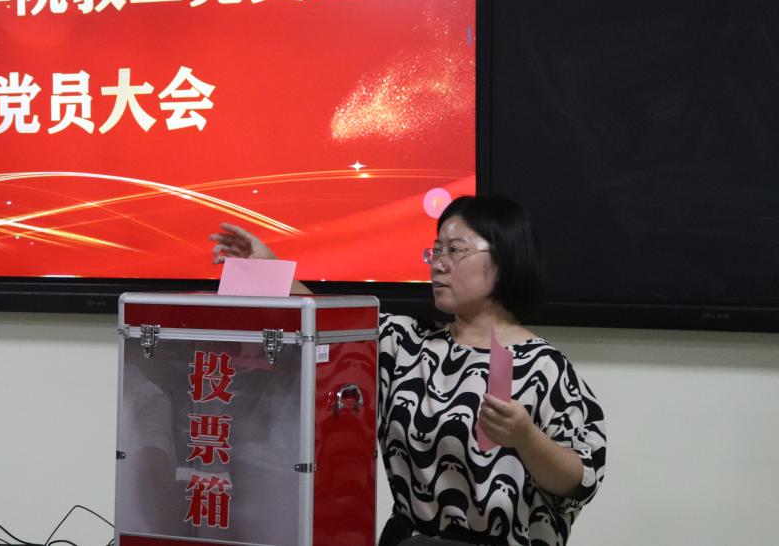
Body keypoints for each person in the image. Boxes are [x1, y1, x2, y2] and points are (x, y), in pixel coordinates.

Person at [210, 195, 606, 546]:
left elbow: (580, 479)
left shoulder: (542, 366)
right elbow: (327, 320)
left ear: (504, 260)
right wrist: (268, 268)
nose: (439, 264)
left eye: (455, 250)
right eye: (436, 251)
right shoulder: (406, 342)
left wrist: (525, 437)